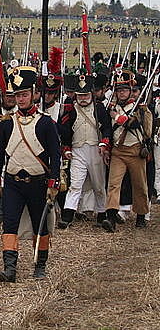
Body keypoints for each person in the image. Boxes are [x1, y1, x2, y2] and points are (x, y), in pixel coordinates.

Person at [0, 66, 61, 282]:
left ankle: (40, 265)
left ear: (33, 94)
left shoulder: (46, 123)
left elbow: (55, 157)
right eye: (17, 95)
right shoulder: (7, 124)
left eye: (24, 95)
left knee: (40, 224)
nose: (20, 99)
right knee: (10, 224)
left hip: (37, 182)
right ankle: (10, 268)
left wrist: (53, 184)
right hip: (13, 182)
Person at [57, 72, 113, 228]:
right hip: (78, 150)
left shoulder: (100, 109)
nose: (83, 98)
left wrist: (104, 144)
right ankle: (67, 216)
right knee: (75, 184)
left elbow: (107, 128)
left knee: (99, 184)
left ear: (91, 94)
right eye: (80, 95)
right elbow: (66, 131)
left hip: (96, 150)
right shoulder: (70, 110)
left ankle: (102, 214)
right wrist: (66, 149)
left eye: (85, 95)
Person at [102, 68, 152, 231]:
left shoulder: (140, 108)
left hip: (135, 151)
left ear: (131, 90)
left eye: (124, 89)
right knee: (113, 184)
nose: (121, 93)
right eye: (118, 90)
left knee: (140, 185)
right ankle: (110, 217)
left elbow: (143, 128)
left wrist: (117, 117)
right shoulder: (112, 106)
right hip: (118, 151)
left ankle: (141, 216)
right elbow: (108, 130)